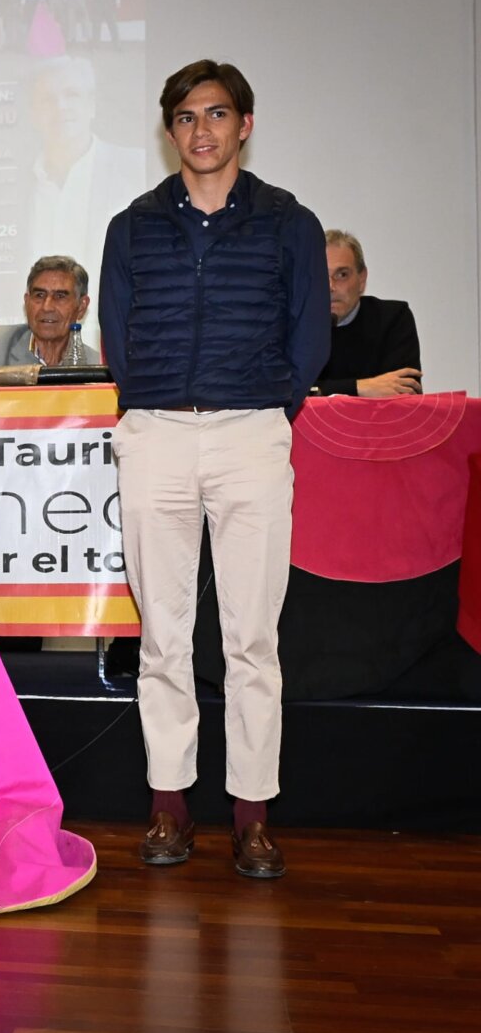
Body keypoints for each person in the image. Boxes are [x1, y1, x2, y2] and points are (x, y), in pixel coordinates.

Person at [99, 59, 330, 879]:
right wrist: (151, 404)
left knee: (251, 639)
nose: (203, 131)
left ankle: (253, 816)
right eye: (188, 117)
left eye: (218, 115)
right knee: (163, 635)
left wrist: (268, 403)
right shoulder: (133, 225)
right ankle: (169, 809)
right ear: (171, 133)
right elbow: (118, 337)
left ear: (245, 125)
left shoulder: (288, 223)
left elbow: (310, 340)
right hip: (157, 432)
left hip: (251, 435)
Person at [25, 56, 145, 346]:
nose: (61, 108)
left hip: (117, 353)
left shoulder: (135, 167)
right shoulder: (12, 182)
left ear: (92, 105)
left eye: (72, 95)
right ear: (33, 113)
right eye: (48, 99)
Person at [313, 229, 422, 397]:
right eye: (321, 275)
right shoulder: (290, 326)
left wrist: (324, 390)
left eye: (342, 275)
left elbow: (406, 393)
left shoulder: (393, 319)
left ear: (362, 279)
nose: (330, 287)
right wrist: (360, 387)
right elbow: (284, 395)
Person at [0, 255, 99, 368]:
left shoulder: (96, 364)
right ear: (27, 301)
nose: (47, 307)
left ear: (81, 306)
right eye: (39, 295)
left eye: (60, 296)